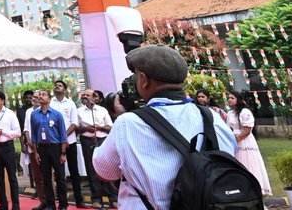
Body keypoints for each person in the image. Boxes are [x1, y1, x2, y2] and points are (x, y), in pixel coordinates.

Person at [93, 46, 237, 210]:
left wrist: (120, 116)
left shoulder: (127, 123)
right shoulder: (211, 117)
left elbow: (104, 172)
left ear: (143, 79)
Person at [226, 90, 272, 197]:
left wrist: (237, 139)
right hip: (234, 141)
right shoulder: (229, 113)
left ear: (238, 99)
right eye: (229, 98)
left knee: (249, 162)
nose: (229, 100)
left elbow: (247, 130)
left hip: (245, 141)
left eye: (232, 98)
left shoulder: (245, 112)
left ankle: (255, 189)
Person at [76, 90, 116, 209]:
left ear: (94, 98)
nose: (84, 97)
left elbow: (110, 128)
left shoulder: (102, 110)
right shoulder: (79, 111)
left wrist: (100, 128)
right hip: (87, 141)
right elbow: (76, 129)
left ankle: (113, 198)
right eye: (83, 95)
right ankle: (96, 199)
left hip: (102, 140)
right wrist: (86, 129)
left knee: (107, 168)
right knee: (91, 169)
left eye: (87, 95)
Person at [30, 89, 68, 210]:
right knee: (46, 178)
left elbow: (63, 135)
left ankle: (63, 204)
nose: (40, 97)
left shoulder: (57, 114)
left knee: (60, 178)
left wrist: (63, 153)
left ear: (49, 99)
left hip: (56, 148)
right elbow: (34, 135)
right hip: (42, 149)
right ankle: (51, 204)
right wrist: (36, 152)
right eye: (39, 95)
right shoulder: (34, 114)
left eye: (43, 95)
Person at [0, 89, 22, 210]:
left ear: (2, 100)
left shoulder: (10, 114)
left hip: (7, 147)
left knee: (12, 176)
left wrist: (4, 132)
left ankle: (16, 205)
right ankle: (3, 204)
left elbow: (17, 132)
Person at [51, 79, 85, 207]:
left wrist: (63, 136)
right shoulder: (51, 103)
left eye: (60, 85)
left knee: (74, 171)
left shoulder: (70, 103)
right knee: (59, 174)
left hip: (69, 141)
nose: (57, 87)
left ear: (65, 89)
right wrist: (58, 138)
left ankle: (79, 200)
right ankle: (62, 202)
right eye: (56, 85)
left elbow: (74, 122)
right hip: (55, 143)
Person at [21, 91, 48, 204]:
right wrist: (28, 141)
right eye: (34, 97)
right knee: (37, 176)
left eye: (37, 97)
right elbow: (26, 128)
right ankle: (42, 201)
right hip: (32, 147)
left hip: (44, 146)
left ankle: (50, 200)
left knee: (46, 175)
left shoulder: (45, 110)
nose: (35, 99)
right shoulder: (28, 111)